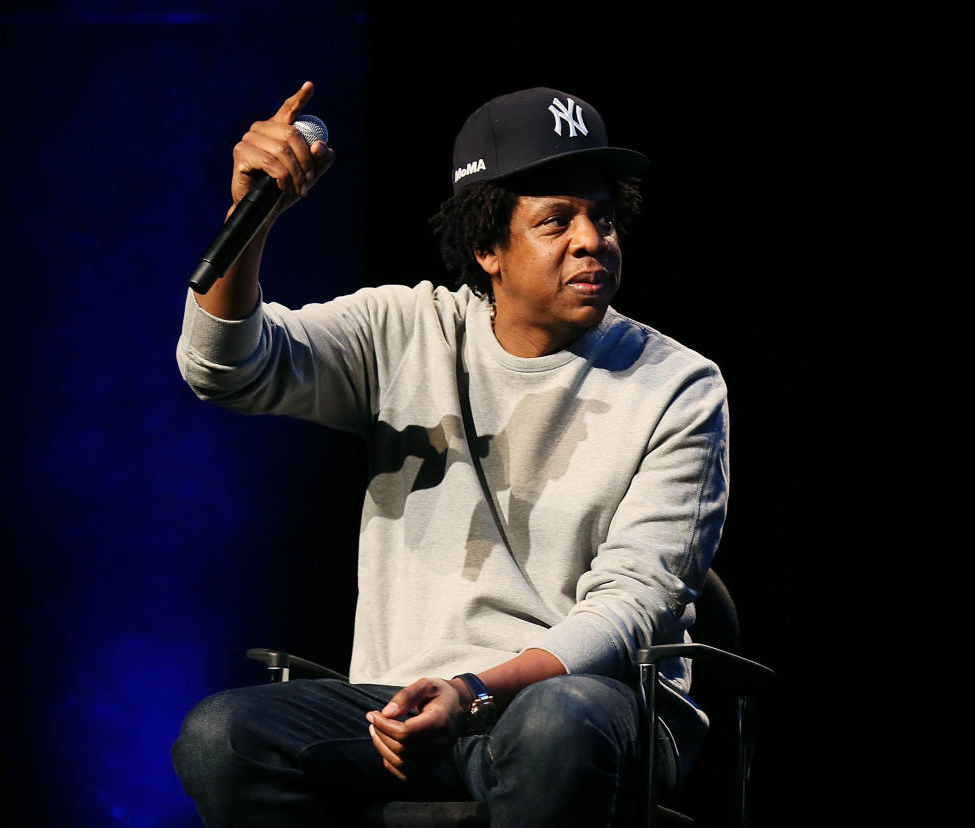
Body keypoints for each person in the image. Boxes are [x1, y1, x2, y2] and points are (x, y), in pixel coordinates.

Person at [171, 81, 731, 827]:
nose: (593, 239)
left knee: (555, 722)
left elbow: (631, 605)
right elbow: (224, 368)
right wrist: (254, 216)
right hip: (403, 710)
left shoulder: (677, 384)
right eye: (556, 221)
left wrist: (474, 691)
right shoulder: (405, 332)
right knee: (223, 737)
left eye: (602, 216)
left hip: (589, 704)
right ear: (485, 247)